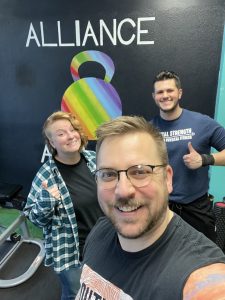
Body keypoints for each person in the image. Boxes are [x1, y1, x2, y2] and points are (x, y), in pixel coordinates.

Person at [76, 116, 225, 300]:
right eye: (108, 174)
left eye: (139, 172)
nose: (123, 191)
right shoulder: (99, 232)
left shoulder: (199, 273)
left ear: (168, 179)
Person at [24, 111, 103, 300]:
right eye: (61, 134)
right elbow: (34, 218)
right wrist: (46, 201)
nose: (70, 136)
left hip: (103, 243)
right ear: (52, 143)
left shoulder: (94, 159)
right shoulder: (46, 176)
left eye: (73, 129)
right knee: (75, 294)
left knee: (102, 288)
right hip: (72, 254)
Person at [151, 70, 225, 242]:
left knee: (205, 259)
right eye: (160, 92)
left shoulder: (202, 122)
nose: (165, 95)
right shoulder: (148, 129)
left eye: (170, 90)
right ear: (154, 96)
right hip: (162, 208)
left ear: (179, 93)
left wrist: (205, 159)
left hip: (196, 208)